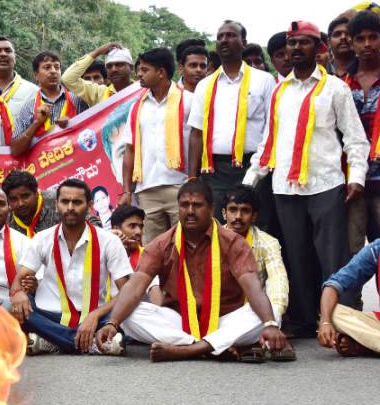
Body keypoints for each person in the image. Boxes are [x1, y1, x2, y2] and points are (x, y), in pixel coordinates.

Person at [243, 20, 369, 338]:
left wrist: (356, 177)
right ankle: (302, 320)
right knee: (295, 255)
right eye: (292, 43)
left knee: (333, 257)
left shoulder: (335, 88)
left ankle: (343, 321)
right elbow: (268, 142)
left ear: (319, 47)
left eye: (304, 43)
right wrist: (248, 182)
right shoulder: (279, 91)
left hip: (325, 183)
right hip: (284, 185)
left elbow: (356, 139)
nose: (296, 48)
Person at [96, 181, 288, 362]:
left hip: (225, 319)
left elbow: (253, 287)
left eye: (197, 205)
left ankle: (188, 350)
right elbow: (136, 285)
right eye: (184, 205)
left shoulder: (233, 242)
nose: (190, 211)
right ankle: (212, 346)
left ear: (211, 209)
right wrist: (112, 323)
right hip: (179, 321)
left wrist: (270, 324)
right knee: (129, 313)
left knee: (270, 313)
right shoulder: (162, 243)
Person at [10, 178, 132, 355]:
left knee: (130, 312)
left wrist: (95, 315)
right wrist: (18, 293)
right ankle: (90, 344)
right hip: (50, 315)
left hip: (96, 315)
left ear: (89, 206)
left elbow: (126, 292)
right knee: (17, 310)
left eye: (77, 202)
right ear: (57, 204)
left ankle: (52, 341)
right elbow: (18, 280)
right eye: (65, 201)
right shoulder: (42, 239)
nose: (70, 208)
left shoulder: (110, 241)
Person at [188, 21, 276, 223]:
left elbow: (272, 129)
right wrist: (193, 179)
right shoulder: (205, 85)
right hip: (215, 170)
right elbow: (196, 133)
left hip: (254, 166)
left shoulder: (263, 80)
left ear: (244, 42)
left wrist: (259, 168)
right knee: (219, 229)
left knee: (258, 226)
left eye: (230, 35)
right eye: (220, 37)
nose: (224, 40)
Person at [120, 48, 192, 243]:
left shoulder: (189, 101)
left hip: (181, 186)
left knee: (186, 247)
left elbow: (198, 143)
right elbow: (130, 149)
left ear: (161, 72)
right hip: (147, 190)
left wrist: (194, 182)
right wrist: (127, 190)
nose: (139, 74)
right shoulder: (137, 106)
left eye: (144, 70)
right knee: (153, 252)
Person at [221, 185, 294, 359]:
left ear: (254, 216)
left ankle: (239, 342)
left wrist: (272, 320)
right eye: (233, 210)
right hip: (221, 310)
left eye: (245, 211)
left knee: (271, 307)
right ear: (224, 213)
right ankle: (255, 341)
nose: (238, 217)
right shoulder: (211, 239)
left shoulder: (268, 243)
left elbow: (278, 283)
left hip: (256, 312)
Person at [343, 11, 380, 246]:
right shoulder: (341, 80)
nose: (367, 44)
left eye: (374, 37)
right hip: (352, 181)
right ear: (352, 42)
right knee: (353, 253)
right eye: (360, 38)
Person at [10, 51, 87, 156]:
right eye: (47, 67)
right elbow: (15, 150)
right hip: (45, 168)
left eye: (57, 67)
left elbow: (92, 131)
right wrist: (37, 123)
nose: (53, 71)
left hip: (76, 165)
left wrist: (72, 124)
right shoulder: (29, 108)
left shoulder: (77, 100)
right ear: (36, 75)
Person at [318, 238, 380, 356]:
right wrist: (325, 322)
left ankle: (367, 346)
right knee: (334, 313)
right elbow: (333, 285)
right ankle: (371, 344)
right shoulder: (376, 249)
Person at [1, 170, 101, 237]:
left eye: (25, 196)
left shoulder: (57, 201)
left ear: (36, 192)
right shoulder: (5, 220)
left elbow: (90, 222)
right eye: (13, 199)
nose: (20, 203)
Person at [110, 204, 164, 305]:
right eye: (132, 226)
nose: (139, 232)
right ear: (116, 229)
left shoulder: (146, 255)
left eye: (140, 227)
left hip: (137, 312)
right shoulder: (101, 252)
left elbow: (154, 287)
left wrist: (158, 313)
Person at [62, 42, 135, 106]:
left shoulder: (141, 89)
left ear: (131, 68)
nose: (114, 69)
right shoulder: (100, 93)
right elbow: (67, 79)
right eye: (109, 66)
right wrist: (97, 52)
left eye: (119, 65)